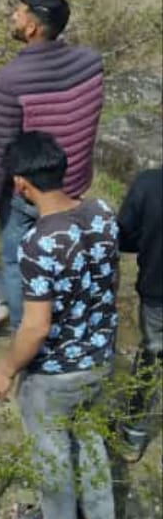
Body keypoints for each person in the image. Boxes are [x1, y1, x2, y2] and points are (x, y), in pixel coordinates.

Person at [0, 131, 118, 519]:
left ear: (20, 184)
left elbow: (36, 327)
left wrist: (6, 369)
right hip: (100, 357)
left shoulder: (37, 243)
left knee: (52, 451)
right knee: (90, 436)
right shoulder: (102, 213)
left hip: (56, 373)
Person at [0, 0, 104, 330]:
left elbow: (2, 150)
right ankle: (66, 323)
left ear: (32, 28)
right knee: (63, 258)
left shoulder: (10, 80)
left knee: (18, 264)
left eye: (18, 12)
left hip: (30, 195)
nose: (13, 16)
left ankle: (25, 334)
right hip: (73, 187)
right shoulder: (91, 62)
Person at [116, 168, 163, 461]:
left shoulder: (149, 183)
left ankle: (133, 436)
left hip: (158, 292)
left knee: (151, 361)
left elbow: (123, 236)